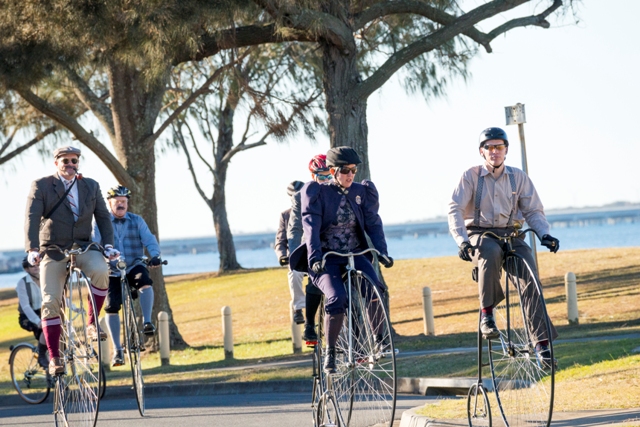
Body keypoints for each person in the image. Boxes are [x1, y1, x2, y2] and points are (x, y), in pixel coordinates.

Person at [448, 127, 560, 366]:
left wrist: (544, 234)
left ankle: (542, 344)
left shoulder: (518, 177)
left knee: (531, 277)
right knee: (489, 252)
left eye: (499, 147)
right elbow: (455, 209)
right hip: (481, 233)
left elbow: (533, 210)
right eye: (489, 147)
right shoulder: (471, 176)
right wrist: (462, 241)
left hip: (511, 234)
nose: (494, 151)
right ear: (482, 151)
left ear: (506, 150)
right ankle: (487, 315)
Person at [290, 147, 393, 373]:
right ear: (334, 171)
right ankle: (331, 352)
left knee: (376, 288)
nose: (350, 175)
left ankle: (379, 341)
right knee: (336, 298)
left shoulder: (361, 191)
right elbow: (311, 227)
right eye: (345, 170)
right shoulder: (318, 192)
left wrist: (382, 252)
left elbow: (373, 222)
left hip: (355, 254)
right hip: (327, 258)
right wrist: (315, 257)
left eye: (354, 170)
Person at [24, 146, 119, 376]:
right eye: (65, 160)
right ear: (56, 163)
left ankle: (91, 324)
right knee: (50, 301)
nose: (70, 164)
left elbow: (104, 218)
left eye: (74, 160)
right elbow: (32, 217)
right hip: (53, 250)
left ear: (78, 163)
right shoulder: (42, 185)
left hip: (83, 246)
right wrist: (33, 249)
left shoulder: (91, 186)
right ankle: (55, 357)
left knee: (100, 270)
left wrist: (108, 245)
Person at [92, 185, 162, 367]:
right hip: (111, 270)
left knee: (144, 281)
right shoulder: (101, 222)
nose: (121, 205)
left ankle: (147, 322)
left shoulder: (137, 220)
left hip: (133, 265)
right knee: (111, 305)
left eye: (124, 202)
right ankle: (117, 351)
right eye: (118, 202)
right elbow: (94, 242)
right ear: (110, 203)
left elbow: (149, 239)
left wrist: (155, 256)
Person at [287, 154, 333, 342]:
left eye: (328, 175)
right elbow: (295, 228)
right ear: (313, 176)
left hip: (336, 243)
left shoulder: (338, 190)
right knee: (314, 279)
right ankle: (310, 324)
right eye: (321, 176)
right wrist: (295, 254)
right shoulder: (301, 196)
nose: (325, 180)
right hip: (312, 244)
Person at [275, 180, 306, 324]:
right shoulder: (285, 215)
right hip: (297, 257)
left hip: (316, 255)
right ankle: (299, 309)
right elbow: (280, 241)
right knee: (294, 273)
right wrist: (282, 256)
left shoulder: (317, 209)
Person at [16, 257, 48, 369]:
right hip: (28, 317)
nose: (36, 268)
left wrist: (75, 308)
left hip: (44, 313)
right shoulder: (22, 283)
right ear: (26, 269)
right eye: (32, 266)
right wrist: (37, 321)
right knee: (46, 328)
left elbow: (55, 297)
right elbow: (25, 306)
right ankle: (41, 355)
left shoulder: (45, 279)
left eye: (38, 265)